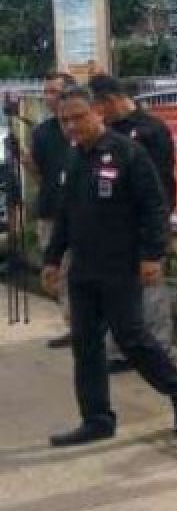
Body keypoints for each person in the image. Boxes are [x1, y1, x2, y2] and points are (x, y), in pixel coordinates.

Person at [39, 86, 177, 447]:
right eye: (65, 120)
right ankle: (97, 419)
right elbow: (65, 215)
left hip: (121, 265)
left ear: (97, 112)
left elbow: (154, 208)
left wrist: (152, 255)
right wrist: (52, 259)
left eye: (78, 117)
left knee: (132, 338)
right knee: (87, 345)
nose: (71, 126)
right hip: (83, 268)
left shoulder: (129, 153)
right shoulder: (74, 157)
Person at [89, 74, 177, 367]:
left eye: (98, 107)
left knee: (150, 285)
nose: (97, 115)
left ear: (111, 100)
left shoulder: (152, 130)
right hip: (112, 225)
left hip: (147, 219)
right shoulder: (104, 135)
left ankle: (158, 349)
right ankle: (120, 349)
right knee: (116, 287)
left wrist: (158, 227)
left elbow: (162, 183)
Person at [27, 71, 75, 348]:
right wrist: (23, 158)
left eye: (54, 92)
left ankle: (83, 327)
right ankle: (73, 323)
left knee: (73, 270)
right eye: (46, 92)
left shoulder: (79, 127)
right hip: (50, 210)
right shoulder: (42, 131)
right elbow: (39, 173)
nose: (48, 98)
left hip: (77, 214)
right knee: (54, 271)